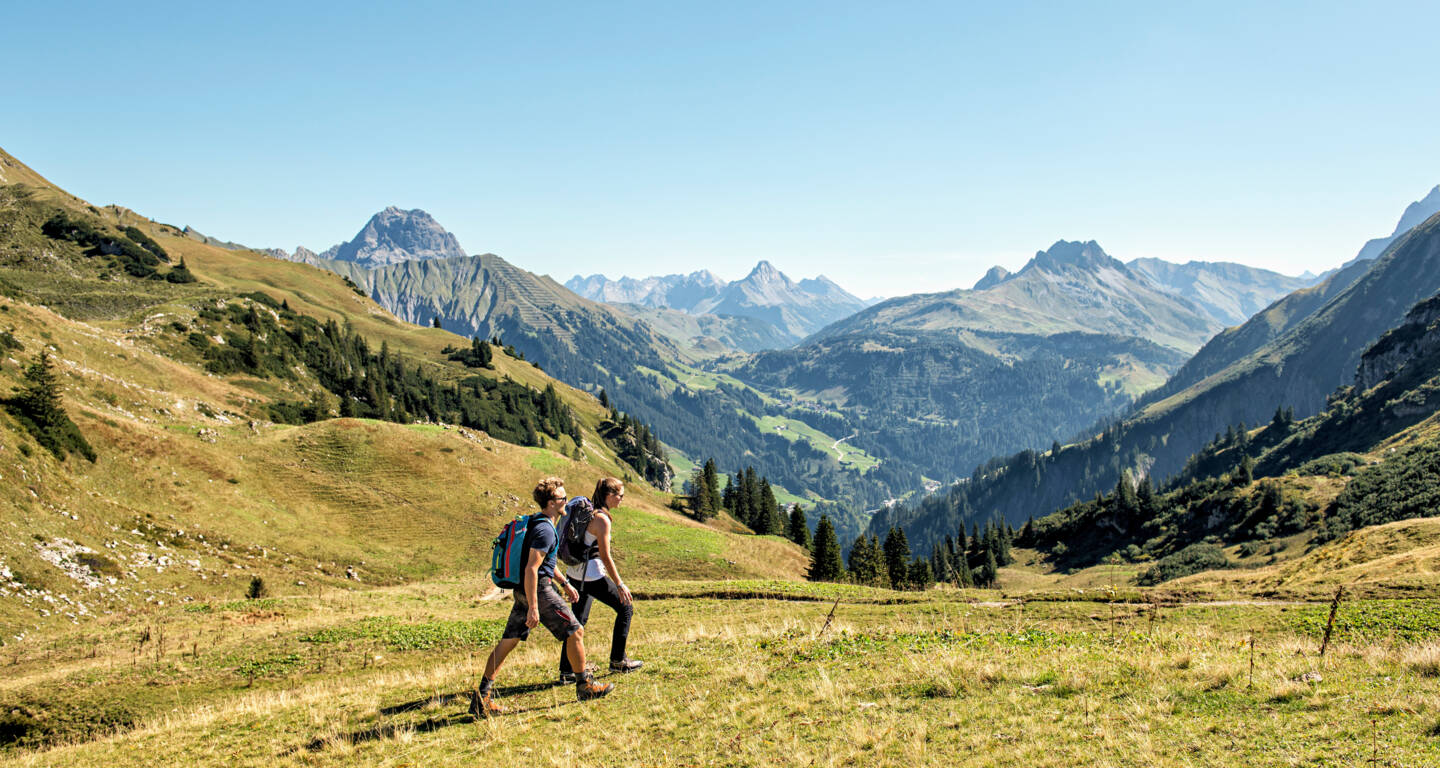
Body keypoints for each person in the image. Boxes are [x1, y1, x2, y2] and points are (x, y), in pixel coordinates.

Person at [471, 477, 613, 718]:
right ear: (551, 502)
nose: (566, 501)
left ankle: (482, 696)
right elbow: (532, 569)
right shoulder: (545, 529)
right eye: (562, 498)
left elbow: (546, 562)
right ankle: (584, 686)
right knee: (575, 631)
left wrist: (565, 583)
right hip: (538, 590)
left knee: (509, 640)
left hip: (526, 590)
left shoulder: (540, 522)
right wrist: (534, 608)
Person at [558, 476, 643, 683]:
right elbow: (605, 556)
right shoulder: (602, 519)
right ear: (609, 496)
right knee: (625, 607)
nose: (622, 499)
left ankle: (567, 671)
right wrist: (620, 584)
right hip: (592, 575)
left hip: (574, 574)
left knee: (576, 622)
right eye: (620, 495)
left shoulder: (590, 513)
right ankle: (618, 660)